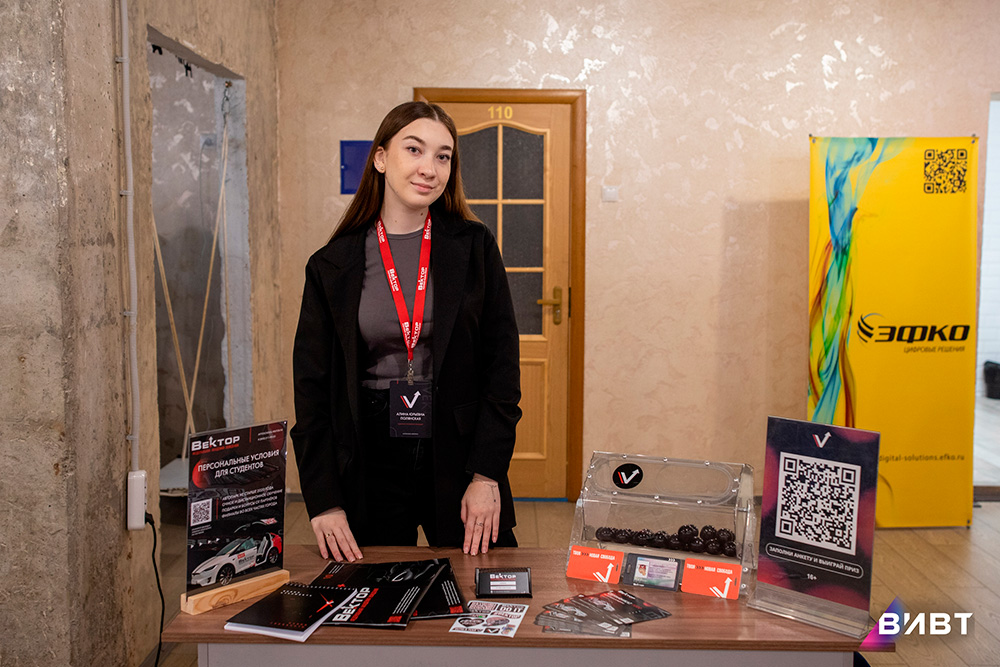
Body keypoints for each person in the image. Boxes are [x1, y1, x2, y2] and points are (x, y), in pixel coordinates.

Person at [291, 101, 521, 563]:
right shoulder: (331, 265)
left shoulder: (474, 247)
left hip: (458, 450)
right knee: (372, 591)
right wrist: (324, 500)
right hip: (367, 453)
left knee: (482, 583)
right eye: (414, 149)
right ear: (380, 158)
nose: (429, 168)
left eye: (443, 156)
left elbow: (502, 367)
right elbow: (312, 391)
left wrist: (486, 475)